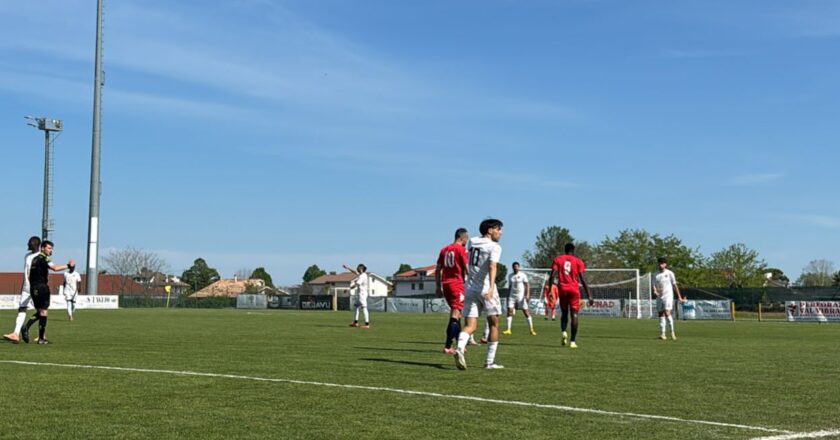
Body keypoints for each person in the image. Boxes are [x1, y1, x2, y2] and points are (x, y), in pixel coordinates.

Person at [453, 218, 504, 370]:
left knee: (470, 325)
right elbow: (492, 266)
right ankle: (489, 362)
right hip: (486, 289)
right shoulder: (495, 246)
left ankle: (460, 348)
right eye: (498, 229)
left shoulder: (473, 241)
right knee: (494, 324)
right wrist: (491, 287)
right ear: (490, 230)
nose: (501, 232)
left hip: (470, 288)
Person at [20, 240, 71, 344]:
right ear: (42, 248)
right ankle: (40, 338)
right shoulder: (43, 257)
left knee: (40, 312)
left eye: (52, 248)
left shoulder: (34, 259)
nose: (51, 250)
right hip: (42, 287)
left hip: (33, 287)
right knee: (44, 312)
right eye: (49, 248)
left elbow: (29, 274)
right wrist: (68, 266)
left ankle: (27, 328)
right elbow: (55, 268)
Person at [548, 243, 592, 349]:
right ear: (573, 250)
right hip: (574, 289)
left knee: (564, 313)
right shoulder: (578, 261)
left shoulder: (558, 259)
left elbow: (552, 275)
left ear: (565, 249)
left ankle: (564, 331)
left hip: (562, 289)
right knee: (574, 315)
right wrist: (589, 295)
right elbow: (582, 279)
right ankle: (572, 341)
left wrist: (550, 289)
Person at [436, 228, 469, 354]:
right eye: (467, 239)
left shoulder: (444, 249)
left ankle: (460, 344)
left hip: (446, 284)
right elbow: (466, 269)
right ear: (463, 238)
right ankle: (448, 346)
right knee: (455, 315)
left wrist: (438, 287)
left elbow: (438, 269)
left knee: (457, 314)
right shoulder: (461, 249)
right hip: (457, 284)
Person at [653, 257, 685, 340]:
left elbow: (674, 285)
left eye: (662, 263)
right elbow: (654, 285)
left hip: (668, 296)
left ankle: (672, 332)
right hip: (660, 296)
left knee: (667, 313)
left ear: (665, 264)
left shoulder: (670, 273)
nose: (660, 265)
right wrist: (655, 291)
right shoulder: (655, 274)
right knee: (661, 314)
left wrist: (679, 297)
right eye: (659, 263)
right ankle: (663, 334)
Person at [502, 262, 536, 336]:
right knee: (509, 311)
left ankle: (531, 329)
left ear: (519, 267)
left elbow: (527, 285)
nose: (516, 268)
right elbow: (510, 287)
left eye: (517, 266)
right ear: (512, 267)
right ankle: (508, 329)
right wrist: (508, 296)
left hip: (521, 297)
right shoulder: (510, 276)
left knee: (526, 312)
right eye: (514, 267)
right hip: (512, 296)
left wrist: (527, 294)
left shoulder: (523, 275)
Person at [344, 264, 370, 329]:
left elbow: (356, 284)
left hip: (362, 294)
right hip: (359, 294)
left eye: (358, 267)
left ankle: (367, 324)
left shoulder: (363, 276)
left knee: (364, 308)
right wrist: (347, 267)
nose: (357, 268)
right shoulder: (361, 274)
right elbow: (354, 272)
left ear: (361, 268)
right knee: (356, 307)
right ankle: (355, 322)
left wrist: (348, 289)